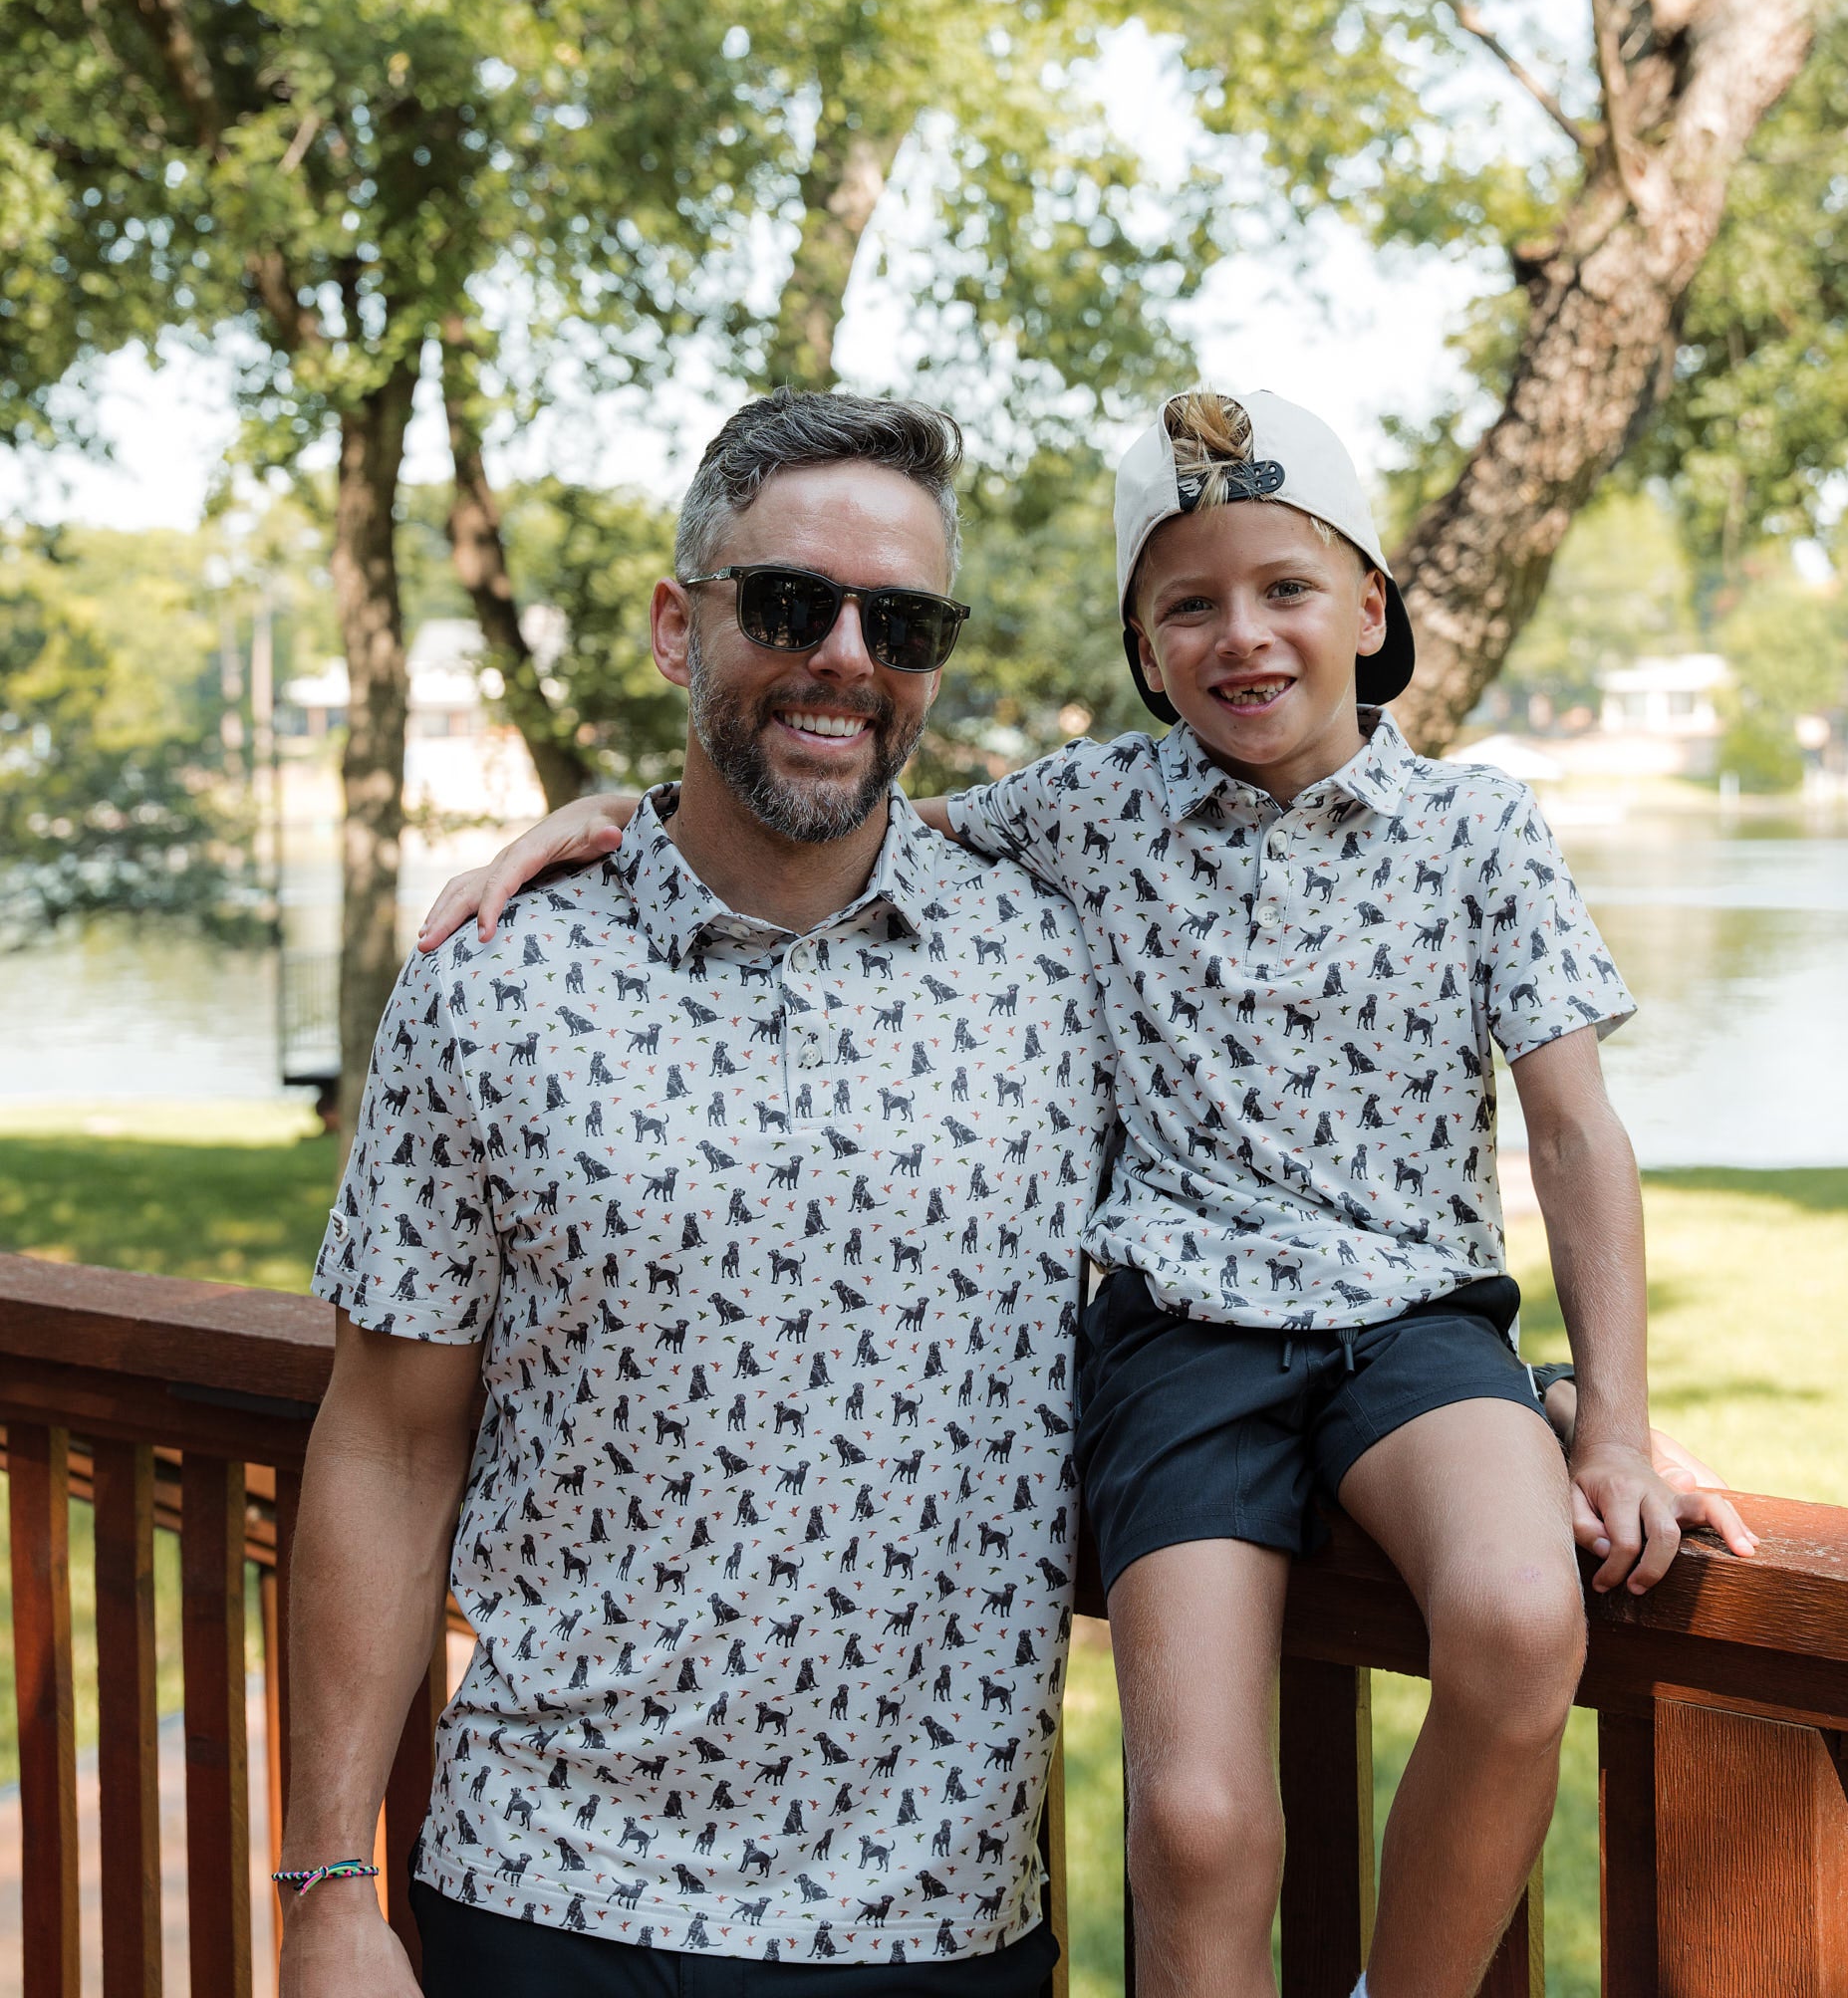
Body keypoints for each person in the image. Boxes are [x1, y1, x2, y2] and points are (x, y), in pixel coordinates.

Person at [419, 389, 1753, 1998]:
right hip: (1180, 1347)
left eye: (1287, 588)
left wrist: (1609, 1424)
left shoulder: (1480, 829)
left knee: (1525, 1621)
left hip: (1419, 1330)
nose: (1241, 635)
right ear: (1142, 648)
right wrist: (611, 824)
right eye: (1188, 606)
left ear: (1371, 607)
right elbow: (837, 815)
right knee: (1196, 1817)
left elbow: (1576, 1137)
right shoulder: (1089, 808)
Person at [278, 388, 1120, 1998]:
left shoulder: (1055, 964)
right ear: (681, 627)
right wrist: (325, 1885)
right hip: (547, 1897)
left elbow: (1276, 1210)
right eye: (792, 605)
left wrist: (1515, 1408)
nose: (849, 659)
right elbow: (385, 1442)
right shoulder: (493, 982)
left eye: (904, 623)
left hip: (936, 1923)